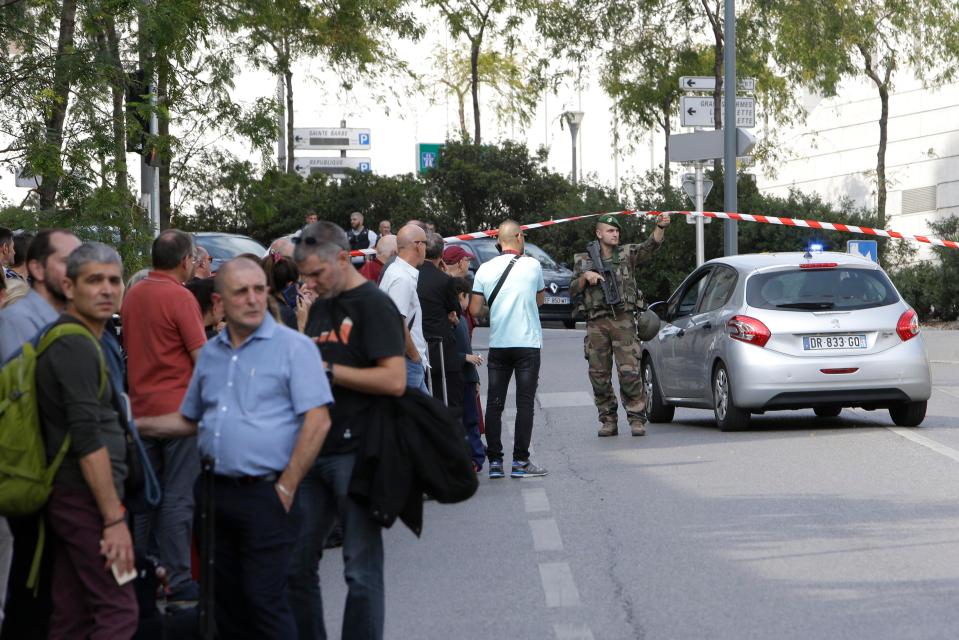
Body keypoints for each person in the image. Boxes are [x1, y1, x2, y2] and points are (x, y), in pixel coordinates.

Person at [137, 257, 333, 639]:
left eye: (259, 289)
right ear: (218, 302)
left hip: (268, 493)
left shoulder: (294, 348)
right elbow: (191, 420)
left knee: (266, 601)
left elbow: (318, 420)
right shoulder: (210, 353)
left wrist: (287, 485)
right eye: (241, 291)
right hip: (213, 493)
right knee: (224, 604)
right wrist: (136, 422)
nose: (253, 298)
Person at [289, 221, 406, 640]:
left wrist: (330, 371)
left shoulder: (373, 304)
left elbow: (394, 379)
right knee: (295, 565)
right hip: (313, 450)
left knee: (360, 569)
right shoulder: (321, 305)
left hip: (359, 453)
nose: (311, 284)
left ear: (343, 257)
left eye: (317, 274)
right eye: (305, 278)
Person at [39, 242, 137, 638]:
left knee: (72, 614)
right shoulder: (74, 343)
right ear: (68, 285)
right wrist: (113, 519)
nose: (107, 289)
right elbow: (87, 436)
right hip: (88, 500)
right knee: (119, 610)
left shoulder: (84, 338)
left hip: (78, 497)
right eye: (93, 280)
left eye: (114, 280)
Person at [122, 229, 207, 605]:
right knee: (177, 498)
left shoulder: (134, 294)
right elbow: (200, 359)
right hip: (178, 415)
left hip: (141, 413)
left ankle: (144, 571)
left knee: (146, 499)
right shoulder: (180, 297)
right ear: (186, 260)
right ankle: (178, 578)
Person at [569, 213, 670, 437]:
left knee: (630, 372)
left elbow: (650, 246)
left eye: (617, 231)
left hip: (623, 320)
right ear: (599, 233)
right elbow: (573, 288)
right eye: (610, 231)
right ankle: (608, 420)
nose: (615, 234)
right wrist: (586, 277)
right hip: (596, 322)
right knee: (599, 374)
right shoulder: (583, 260)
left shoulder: (626, 254)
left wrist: (660, 226)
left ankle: (636, 418)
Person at [469, 220, 548, 479]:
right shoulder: (533, 265)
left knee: (494, 404)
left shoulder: (484, 269)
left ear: (499, 241)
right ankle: (520, 463)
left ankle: (494, 463)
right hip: (527, 344)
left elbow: (474, 310)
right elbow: (540, 300)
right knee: (525, 404)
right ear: (518, 237)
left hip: (499, 344)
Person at [0, 229, 81, 361]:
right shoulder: (16, 321)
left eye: (80, 262)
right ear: (38, 269)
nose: (78, 270)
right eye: (67, 261)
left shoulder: (72, 316)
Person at [379, 224, 430, 394]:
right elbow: (396, 321)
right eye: (425, 243)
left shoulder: (396, 271)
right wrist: (414, 356)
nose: (426, 249)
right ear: (418, 245)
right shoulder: (402, 278)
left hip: (405, 360)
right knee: (426, 418)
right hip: (407, 362)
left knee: (428, 418)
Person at [417, 232, 462, 417]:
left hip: (418, 343)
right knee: (449, 399)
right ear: (441, 254)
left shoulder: (411, 274)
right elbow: (455, 310)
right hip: (441, 347)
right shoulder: (444, 280)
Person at [451, 277, 486, 471]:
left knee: (470, 419)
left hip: (467, 378)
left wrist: (476, 378)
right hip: (462, 378)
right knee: (469, 420)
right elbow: (456, 351)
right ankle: (474, 456)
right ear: (462, 296)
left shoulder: (460, 319)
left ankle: (476, 454)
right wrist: (466, 358)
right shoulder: (456, 319)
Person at [261, 253, 300, 330]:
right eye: (297, 283)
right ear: (290, 284)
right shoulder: (287, 314)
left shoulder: (257, 306)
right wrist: (302, 322)